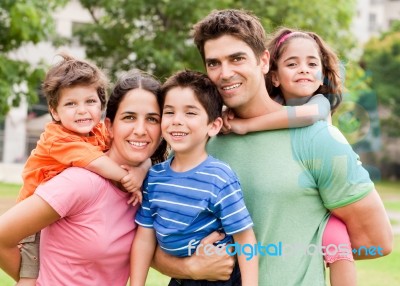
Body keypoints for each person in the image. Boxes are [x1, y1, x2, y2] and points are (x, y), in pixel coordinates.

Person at [151, 9, 393, 286]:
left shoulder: (318, 139)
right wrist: (190, 267)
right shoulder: (200, 136)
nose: (225, 73)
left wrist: (301, 252)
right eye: (214, 63)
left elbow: (377, 241)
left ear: (264, 61)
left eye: (237, 58)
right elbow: (154, 242)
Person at [0, 69, 167, 285]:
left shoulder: (149, 186)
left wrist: (141, 170)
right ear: (109, 126)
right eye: (129, 117)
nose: (140, 130)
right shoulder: (79, 182)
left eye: (152, 119)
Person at [222, 27, 355, 285]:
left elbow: (301, 117)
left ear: (322, 75)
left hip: (323, 205)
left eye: (312, 63)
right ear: (274, 77)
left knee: (338, 240)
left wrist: (245, 125)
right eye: (292, 63)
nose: (303, 69)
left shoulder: (318, 104)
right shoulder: (271, 106)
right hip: (286, 214)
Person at [130, 70, 258, 286]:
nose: (177, 121)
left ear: (214, 125)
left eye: (190, 113)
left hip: (220, 280)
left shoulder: (219, 177)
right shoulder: (154, 177)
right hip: (180, 279)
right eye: (169, 112)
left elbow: (245, 239)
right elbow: (144, 238)